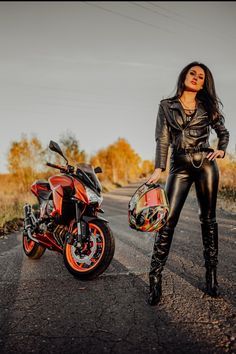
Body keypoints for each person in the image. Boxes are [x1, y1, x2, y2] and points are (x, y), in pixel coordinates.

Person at [147, 61, 230, 306]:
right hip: (179, 165)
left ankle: (211, 275)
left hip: (206, 165)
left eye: (201, 76)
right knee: (167, 220)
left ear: (204, 84)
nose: (196, 77)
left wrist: (222, 151)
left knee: (208, 219)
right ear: (184, 76)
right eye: (192, 73)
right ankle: (155, 277)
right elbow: (162, 140)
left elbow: (223, 133)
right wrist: (158, 169)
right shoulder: (166, 106)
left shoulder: (207, 107)